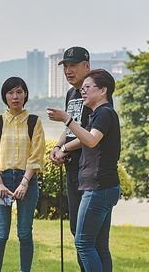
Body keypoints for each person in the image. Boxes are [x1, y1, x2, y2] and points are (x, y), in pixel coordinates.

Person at [47, 69, 121, 271]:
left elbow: (90, 139)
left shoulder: (104, 113)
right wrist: (60, 147)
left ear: (103, 90)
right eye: (82, 88)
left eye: (88, 88)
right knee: (99, 246)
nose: (83, 92)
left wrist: (67, 119)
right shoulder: (98, 114)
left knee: (83, 244)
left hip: (98, 187)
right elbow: (84, 137)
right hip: (104, 186)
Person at [0, 77, 45, 272]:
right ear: (5, 96)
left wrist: (25, 183)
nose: (15, 96)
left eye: (19, 92)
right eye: (10, 93)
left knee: (24, 233)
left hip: (26, 182)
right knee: (1, 233)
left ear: (25, 94)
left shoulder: (34, 122)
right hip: (3, 184)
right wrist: (0, 184)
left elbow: (36, 156)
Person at [48, 46, 91, 271]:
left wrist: (65, 148)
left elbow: (91, 134)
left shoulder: (94, 92)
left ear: (87, 66)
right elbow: (71, 126)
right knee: (76, 229)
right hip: (72, 169)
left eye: (73, 65)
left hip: (89, 170)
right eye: (65, 66)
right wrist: (57, 147)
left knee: (88, 235)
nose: (68, 71)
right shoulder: (71, 94)